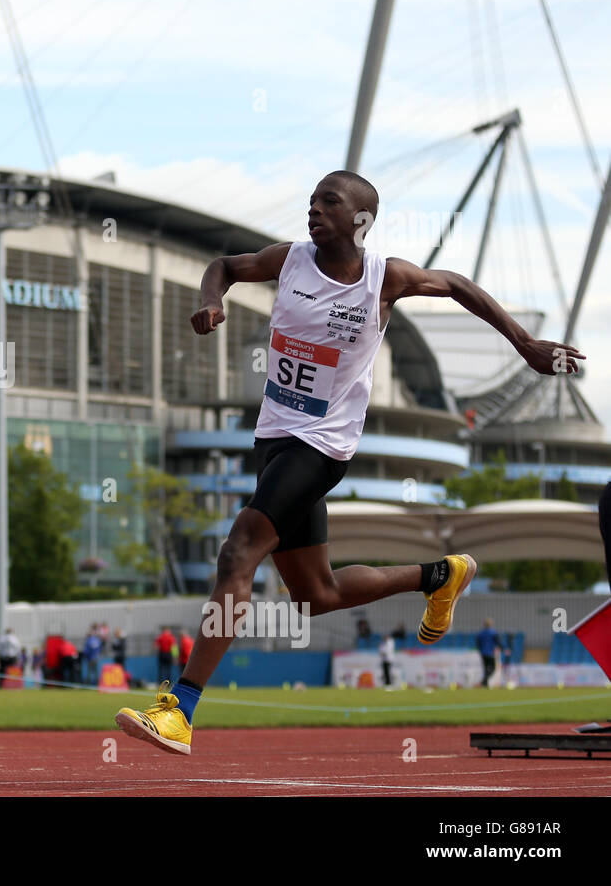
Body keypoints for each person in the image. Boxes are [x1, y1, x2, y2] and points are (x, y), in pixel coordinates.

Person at [116, 170, 583, 756]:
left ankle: (180, 709)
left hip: (322, 446)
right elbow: (225, 266)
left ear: (360, 219)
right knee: (317, 597)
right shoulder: (289, 260)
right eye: (310, 200)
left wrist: (526, 345)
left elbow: (459, 285)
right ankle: (438, 575)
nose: (313, 210)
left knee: (238, 551)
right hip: (275, 439)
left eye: (328, 202)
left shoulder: (384, 279)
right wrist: (212, 303)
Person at [477, 619, 500, 688]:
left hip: (483, 653)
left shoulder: (481, 633)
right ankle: (484, 680)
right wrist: (503, 648)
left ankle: (485, 684)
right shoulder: (493, 632)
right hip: (490, 653)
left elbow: (478, 643)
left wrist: (481, 649)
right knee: (493, 669)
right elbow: (498, 641)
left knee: (486, 668)